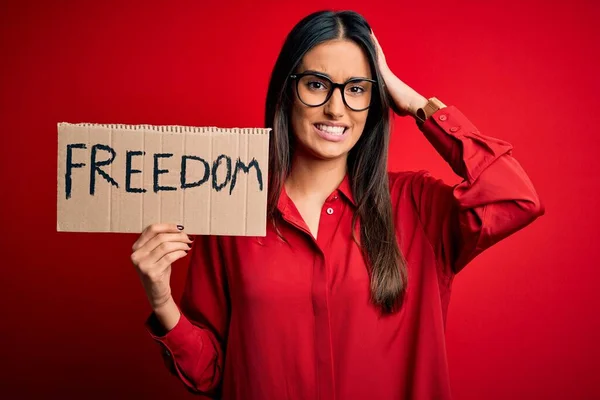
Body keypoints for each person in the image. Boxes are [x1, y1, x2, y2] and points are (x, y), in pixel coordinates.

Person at [130, 9, 544, 400]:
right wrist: (162, 301)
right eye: (317, 84)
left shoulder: (416, 205)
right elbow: (212, 374)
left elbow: (515, 197)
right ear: (286, 92)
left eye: (357, 89)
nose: (336, 107)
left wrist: (414, 102)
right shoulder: (231, 209)